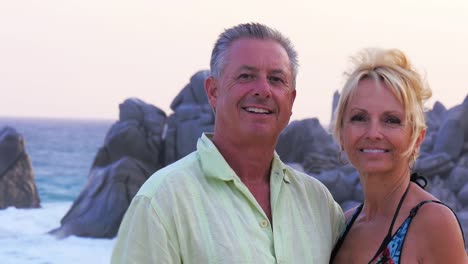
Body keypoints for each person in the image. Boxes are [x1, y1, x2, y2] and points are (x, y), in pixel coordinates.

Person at [111, 22, 345, 263]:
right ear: (213, 91)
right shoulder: (161, 201)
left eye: (276, 79)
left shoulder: (318, 202)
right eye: (246, 76)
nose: (263, 90)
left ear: (291, 100)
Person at [329, 48, 467, 263]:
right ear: (341, 133)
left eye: (391, 120)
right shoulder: (342, 226)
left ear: (417, 137)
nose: (373, 133)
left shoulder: (433, 224)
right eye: (359, 117)